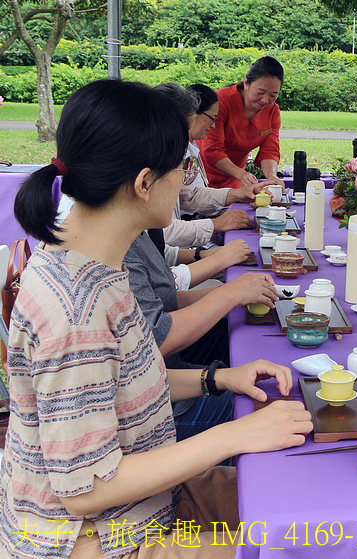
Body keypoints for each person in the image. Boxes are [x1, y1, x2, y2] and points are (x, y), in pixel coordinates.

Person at [6, 79, 312, 558]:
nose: (187, 180)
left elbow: (123, 383)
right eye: (182, 168)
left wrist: (219, 378)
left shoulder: (98, 262)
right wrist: (234, 433)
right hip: (96, 539)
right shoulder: (75, 310)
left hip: (147, 503)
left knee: (310, 509)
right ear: (145, 182)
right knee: (310, 542)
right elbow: (86, 488)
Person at [153, 82, 256, 249]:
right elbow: (166, 233)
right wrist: (215, 225)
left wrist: (237, 194)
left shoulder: (162, 155)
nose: (184, 140)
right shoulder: (150, 167)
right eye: (183, 129)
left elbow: (187, 195)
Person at [199, 56, 287, 189]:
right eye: (260, 92)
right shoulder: (221, 101)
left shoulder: (273, 111)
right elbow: (212, 150)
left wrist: (272, 177)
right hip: (202, 177)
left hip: (234, 180)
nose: (265, 100)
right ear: (246, 83)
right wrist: (241, 174)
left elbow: (269, 151)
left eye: (273, 95)